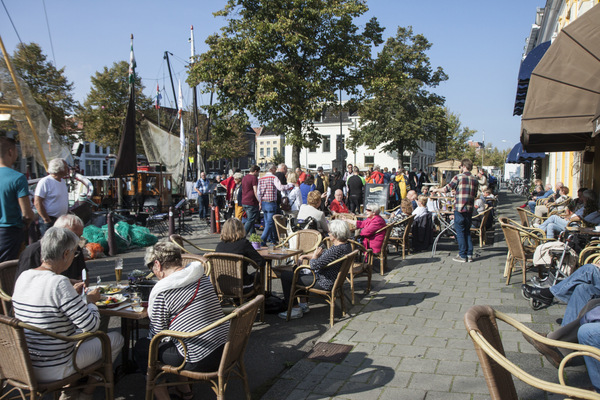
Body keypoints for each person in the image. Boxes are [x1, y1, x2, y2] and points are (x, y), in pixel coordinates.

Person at [12, 227, 123, 398]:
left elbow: (47, 308)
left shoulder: (24, 276)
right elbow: (91, 325)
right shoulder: (58, 283)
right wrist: (90, 301)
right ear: (65, 254)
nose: (74, 258)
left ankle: (71, 391)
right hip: (54, 366)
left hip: (24, 361)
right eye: (74, 254)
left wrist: (75, 298)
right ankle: (86, 393)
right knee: (115, 339)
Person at [135, 242, 228, 400]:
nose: (153, 273)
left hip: (198, 357)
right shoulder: (201, 276)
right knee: (176, 339)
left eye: (152, 268)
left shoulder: (163, 291)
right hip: (224, 348)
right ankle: (185, 391)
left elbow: (157, 335)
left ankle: (164, 396)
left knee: (143, 348)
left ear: (157, 264)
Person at [278, 219, 352, 320]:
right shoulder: (346, 246)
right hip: (332, 279)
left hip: (323, 282)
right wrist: (305, 256)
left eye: (330, 232)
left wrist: (314, 256)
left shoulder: (336, 250)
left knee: (286, 275)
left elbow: (314, 265)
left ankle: (295, 309)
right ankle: (303, 305)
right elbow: (325, 255)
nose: (328, 234)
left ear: (335, 234)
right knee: (297, 270)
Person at [431, 158, 479, 263]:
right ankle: (469, 254)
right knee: (467, 231)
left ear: (463, 166)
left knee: (460, 231)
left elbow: (445, 189)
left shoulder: (458, 177)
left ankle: (462, 255)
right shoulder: (475, 179)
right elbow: (474, 195)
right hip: (469, 208)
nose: (460, 168)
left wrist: (436, 190)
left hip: (459, 208)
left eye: (460, 167)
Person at [15, 214, 87, 283]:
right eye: (72, 235)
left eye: (79, 236)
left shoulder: (75, 249)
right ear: (57, 232)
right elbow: (25, 283)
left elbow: (83, 275)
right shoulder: (33, 251)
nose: (76, 240)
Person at [0, 136, 34, 262]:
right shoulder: (18, 178)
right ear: (10, 151)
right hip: (9, 233)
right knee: (7, 272)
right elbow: (27, 214)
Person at [215, 218, 265, 287]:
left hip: (222, 285)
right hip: (241, 284)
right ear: (241, 230)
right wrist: (250, 261)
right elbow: (261, 262)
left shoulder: (219, 246)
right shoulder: (244, 243)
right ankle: (260, 296)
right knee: (258, 275)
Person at [535, 190, 600, 239]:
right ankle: (549, 244)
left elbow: (579, 218)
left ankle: (538, 230)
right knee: (550, 225)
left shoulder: (589, 207)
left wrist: (569, 219)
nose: (582, 198)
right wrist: (567, 217)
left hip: (574, 225)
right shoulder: (584, 205)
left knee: (553, 217)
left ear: (587, 198)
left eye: (583, 197)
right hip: (570, 222)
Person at [259, 163, 293, 245]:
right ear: (271, 169)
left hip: (263, 202)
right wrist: (289, 185)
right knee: (270, 223)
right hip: (271, 202)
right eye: (274, 169)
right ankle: (261, 240)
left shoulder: (261, 179)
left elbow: (258, 193)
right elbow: (280, 187)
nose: (275, 170)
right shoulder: (274, 178)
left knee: (267, 222)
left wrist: (260, 202)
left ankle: (269, 239)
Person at [35, 158, 69, 235]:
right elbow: (37, 202)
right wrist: (46, 219)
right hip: (50, 219)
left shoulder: (62, 181)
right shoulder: (45, 182)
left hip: (60, 220)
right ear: (60, 168)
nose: (68, 169)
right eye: (66, 167)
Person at [241, 165, 260, 234]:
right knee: (251, 219)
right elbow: (255, 191)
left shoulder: (244, 177)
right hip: (251, 201)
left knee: (250, 219)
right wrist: (259, 201)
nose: (258, 174)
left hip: (244, 201)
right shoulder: (254, 178)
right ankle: (242, 235)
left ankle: (253, 236)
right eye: (258, 172)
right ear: (255, 171)